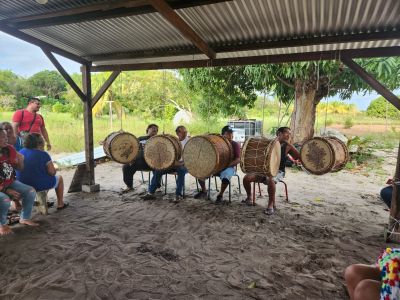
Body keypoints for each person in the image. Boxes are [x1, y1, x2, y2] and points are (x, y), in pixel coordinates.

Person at [242, 127, 300, 215]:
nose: (288, 135)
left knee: (270, 180)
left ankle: (271, 205)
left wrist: (289, 144)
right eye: (286, 133)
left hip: (279, 172)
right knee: (247, 178)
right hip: (263, 171)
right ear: (278, 133)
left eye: (289, 134)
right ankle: (249, 197)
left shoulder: (287, 146)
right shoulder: (268, 143)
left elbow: (297, 157)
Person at [0, 125, 38, 235]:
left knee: (30, 191)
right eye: (2, 137)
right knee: (5, 200)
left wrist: (20, 160)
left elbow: (19, 168)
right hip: (3, 187)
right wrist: (6, 190)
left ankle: (24, 218)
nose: (6, 139)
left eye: (6, 136)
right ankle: (2, 224)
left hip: (10, 182)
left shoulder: (9, 149)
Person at [16, 133, 68, 210]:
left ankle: (43, 201)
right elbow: (52, 172)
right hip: (37, 185)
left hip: (22, 184)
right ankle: (60, 203)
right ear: (39, 143)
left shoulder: (20, 152)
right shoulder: (43, 154)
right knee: (59, 178)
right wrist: (54, 168)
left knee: (41, 177)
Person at [194, 125, 241, 204]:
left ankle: (220, 195)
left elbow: (238, 159)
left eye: (232, 134)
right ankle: (204, 191)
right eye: (228, 134)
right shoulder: (216, 144)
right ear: (222, 135)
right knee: (200, 172)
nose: (231, 136)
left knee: (226, 177)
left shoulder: (235, 144)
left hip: (229, 167)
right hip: (215, 166)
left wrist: (226, 165)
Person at [143, 125, 189, 203]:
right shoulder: (174, 142)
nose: (185, 133)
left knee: (181, 171)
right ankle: (150, 193)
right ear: (177, 133)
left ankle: (178, 195)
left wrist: (182, 163)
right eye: (182, 132)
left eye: (185, 132)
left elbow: (191, 157)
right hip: (173, 164)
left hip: (184, 165)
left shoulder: (189, 141)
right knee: (158, 170)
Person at [121, 124, 159, 193]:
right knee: (126, 166)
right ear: (148, 130)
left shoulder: (159, 140)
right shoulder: (141, 138)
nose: (155, 131)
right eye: (153, 129)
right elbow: (132, 149)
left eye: (156, 130)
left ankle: (156, 186)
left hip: (154, 162)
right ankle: (129, 186)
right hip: (142, 162)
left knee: (158, 167)